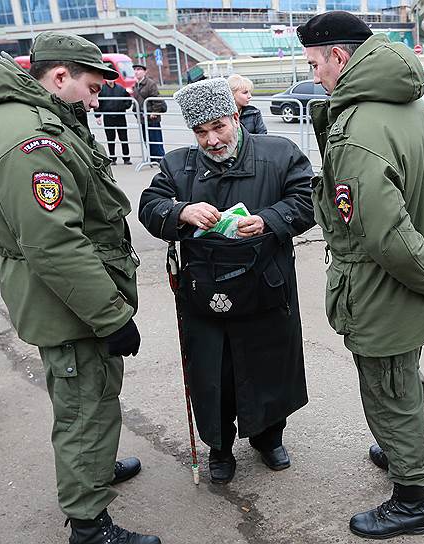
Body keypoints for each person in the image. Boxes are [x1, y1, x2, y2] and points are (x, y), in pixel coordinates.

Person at [0, 32, 156, 543]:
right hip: (68, 301)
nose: (97, 101)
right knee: (82, 407)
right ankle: (89, 523)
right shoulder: (29, 138)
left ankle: (95, 468)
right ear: (58, 77)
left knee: (92, 395)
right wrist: (112, 314)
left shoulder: (38, 118)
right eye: (92, 89)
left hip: (72, 298)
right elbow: (54, 244)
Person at [299, 11, 424, 539]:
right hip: (413, 279)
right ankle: (402, 450)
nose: (314, 75)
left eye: (315, 64)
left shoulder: (358, 129)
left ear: (339, 56)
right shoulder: (414, 107)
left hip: (383, 287)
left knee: (388, 388)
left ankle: (411, 497)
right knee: (402, 378)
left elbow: (384, 234)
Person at [138, 78, 315, 485]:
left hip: (266, 283)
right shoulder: (178, 164)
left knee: (269, 365)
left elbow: (306, 199)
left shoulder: (279, 153)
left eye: (219, 127)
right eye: (201, 132)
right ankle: (219, 447)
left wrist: (269, 219)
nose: (212, 140)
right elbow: (150, 205)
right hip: (204, 290)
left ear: (236, 116)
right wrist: (181, 211)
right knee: (212, 373)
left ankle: (269, 438)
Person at [95, 77, 133, 164]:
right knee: (110, 138)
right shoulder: (102, 89)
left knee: (123, 138)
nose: (110, 79)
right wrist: (98, 115)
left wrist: (124, 107)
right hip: (108, 117)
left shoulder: (121, 88)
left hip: (120, 116)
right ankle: (112, 158)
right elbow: (97, 102)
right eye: (108, 77)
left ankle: (126, 158)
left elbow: (128, 100)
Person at [133, 63, 166, 161]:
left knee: (155, 138)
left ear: (144, 71)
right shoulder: (136, 85)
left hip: (152, 117)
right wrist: (136, 113)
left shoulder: (150, 83)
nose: (136, 71)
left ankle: (160, 158)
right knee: (146, 139)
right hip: (143, 118)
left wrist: (154, 112)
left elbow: (157, 99)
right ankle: (152, 157)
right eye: (135, 69)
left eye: (139, 69)